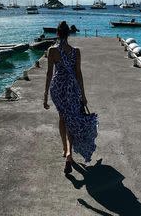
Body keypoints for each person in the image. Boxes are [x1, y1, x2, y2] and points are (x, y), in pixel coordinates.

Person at [43, 21, 98, 174]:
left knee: (63, 117)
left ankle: (65, 149)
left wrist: (45, 95)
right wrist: (83, 95)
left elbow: (49, 74)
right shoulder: (76, 51)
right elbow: (78, 74)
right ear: (68, 34)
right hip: (72, 88)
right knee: (72, 118)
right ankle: (69, 152)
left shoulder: (52, 50)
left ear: (57, 34)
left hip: (58, 88)